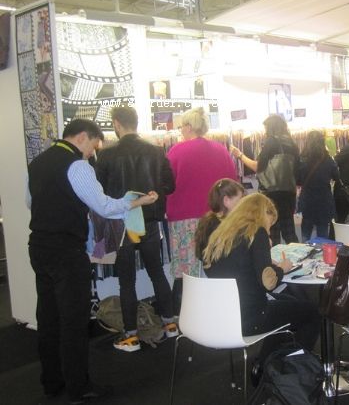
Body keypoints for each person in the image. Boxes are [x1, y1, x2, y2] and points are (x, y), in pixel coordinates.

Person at [27, 119, 158, 403]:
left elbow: (30, 202)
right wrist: (136, 202)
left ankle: (52, 381)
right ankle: (79, 387)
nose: (93, 152)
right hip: (66, 250)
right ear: (82, 137)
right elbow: (104, 206)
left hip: (39, 245)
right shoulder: (77, 166)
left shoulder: (38, 162)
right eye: (93, 146)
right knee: (73, 321)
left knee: (48, 317)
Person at [95, 107, 177, 352]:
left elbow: (99, 193)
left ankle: (131, 336)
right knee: (157, 273)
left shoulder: (106, 154)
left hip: (122, 223)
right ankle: (170, 324)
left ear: (116, 123)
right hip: (149, 220)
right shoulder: (155, 150)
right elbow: (170, 186)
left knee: (127, 281)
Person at [203, 194, 320, 363]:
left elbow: (233, 267)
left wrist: (264, 261)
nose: (269, 229)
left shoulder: (221, 234)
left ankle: (267, 361)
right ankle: (293, 366)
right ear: (264, 214)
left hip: (224, 314)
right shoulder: (257, 232)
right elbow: (268, 283)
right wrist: (282, 268)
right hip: (251, 316)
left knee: (290, 302)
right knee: (312, 312)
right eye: (270, 223)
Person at [166, 107, 236, 304]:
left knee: (186, 271)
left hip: (184, 219)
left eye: (181, 126)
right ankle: (219, 308)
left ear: (189, 127)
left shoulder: (177, 151)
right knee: (217, 265)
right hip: (218, 218)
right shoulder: (221, 150)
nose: (181, 130)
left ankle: (187, 312)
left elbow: (166, 184)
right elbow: (233, 184)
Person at [230, 115, 300, 245]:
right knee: (290, 234)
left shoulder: (271, 142)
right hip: (288, 195)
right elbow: (297, 171)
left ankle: (274, 258)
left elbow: (257, 167)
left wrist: (239, 155)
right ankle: (298, 255)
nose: (265, 131)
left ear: (270, 127)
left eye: (266, 128)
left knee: (272, 233)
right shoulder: (292, 144)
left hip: (271, 195)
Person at [297, 130, 340, 241]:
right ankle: (322, 251)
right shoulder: (328, 159)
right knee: (323, 233)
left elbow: (298, 180)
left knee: (306, 232)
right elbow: (337, 176)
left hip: (307, 199)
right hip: (324, 199)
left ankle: (304, 250)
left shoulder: (302, 159)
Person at [194, 179, 245, 263]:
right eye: (240, 200)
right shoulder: (224, 226)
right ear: (226, 201)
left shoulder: (206, 221)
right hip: (226, 269)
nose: (243, 204)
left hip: (209, 270)